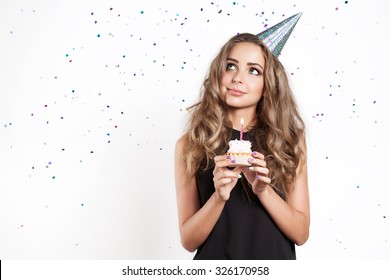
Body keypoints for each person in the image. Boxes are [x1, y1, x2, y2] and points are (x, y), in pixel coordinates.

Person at [174, 33, 309, 260]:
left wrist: (263, 191)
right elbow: (188, 240)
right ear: (218, 74)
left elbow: (301, 233)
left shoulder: (290, 140)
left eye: (253, 70)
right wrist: (218, 197)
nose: (238, 78)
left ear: (268, 85)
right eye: (230, 66)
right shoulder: (191, 143)